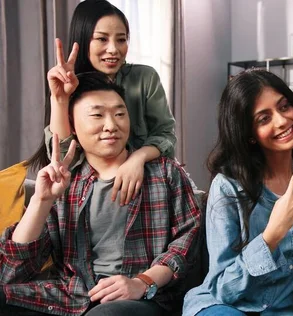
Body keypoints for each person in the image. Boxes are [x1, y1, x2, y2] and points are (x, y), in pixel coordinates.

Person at [0, 72, 201, 316]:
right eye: (97, 115)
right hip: (73, 295)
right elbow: (13, 273)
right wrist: (41, 201)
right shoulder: (66, 182)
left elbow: (187, 243)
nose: (111, 125)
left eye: (119, 114)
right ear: (72, 126)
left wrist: (142, 282)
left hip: (143, 298)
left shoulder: (165, 173)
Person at [182, 69, 293, 316]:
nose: (282, 121)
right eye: (264, 118)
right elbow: (222, 288)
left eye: (284, 107)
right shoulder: (227, 186)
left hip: (290, 308)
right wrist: (272, 234)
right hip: (225, 306)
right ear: (248, 134)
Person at [27, 0, 177, 206]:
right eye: (102, 39)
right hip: (90, 191)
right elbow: (62, 157)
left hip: (145, 182)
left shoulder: (145, 78)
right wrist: (60, 99)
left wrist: (137, 159)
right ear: (82, 38)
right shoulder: (68, 84)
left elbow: (166, 135)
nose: (113, 49)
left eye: (121, 39)